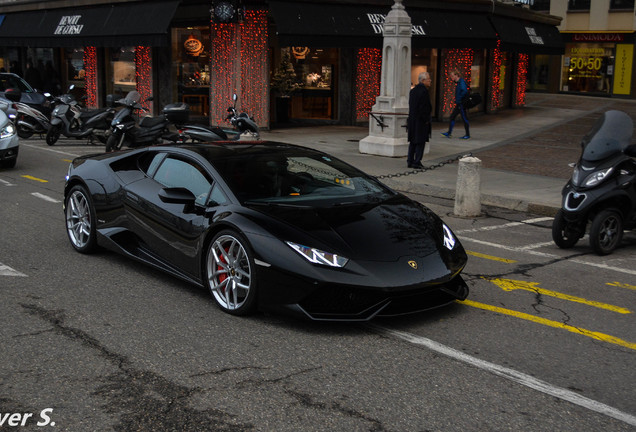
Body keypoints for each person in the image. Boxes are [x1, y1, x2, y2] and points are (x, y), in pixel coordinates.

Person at [407, 71, 432, 169]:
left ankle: (410, 160)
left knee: (413, 141)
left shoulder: (413, 91)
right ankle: (417, 161)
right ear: (423, 80)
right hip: (421, 121)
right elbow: (424, 108)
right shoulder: (424, 91)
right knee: (420, 142)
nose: (430, 81)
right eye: (428, 79)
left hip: (413, 120)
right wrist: (426, 119)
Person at [441, 69, 470, 139]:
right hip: (459, 104)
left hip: (461, 104)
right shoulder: (459, 82)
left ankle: (467, 134)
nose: (451, 77)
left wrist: (459, 99)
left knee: (464, 118)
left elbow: (464, 91)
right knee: (452, 117)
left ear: (457, 75)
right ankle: (449, 133)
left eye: (452, 76)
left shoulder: (461, 82)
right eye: (451, 76)